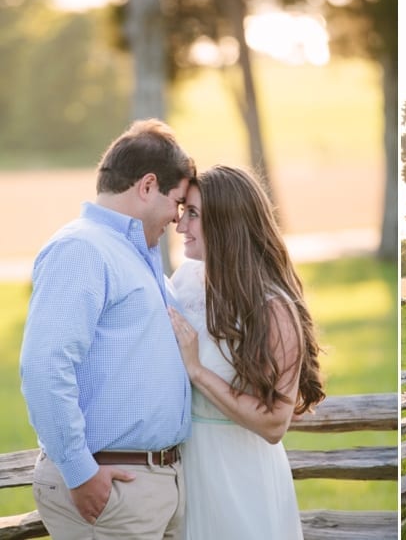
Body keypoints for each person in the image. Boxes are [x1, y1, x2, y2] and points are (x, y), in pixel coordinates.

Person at [19, 119, 196, 539]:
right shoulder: (83, 249)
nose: (177, 217)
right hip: (112, 489)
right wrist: (81, 474)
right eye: (177, 202)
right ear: (148, 186)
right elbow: (45, 367)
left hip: (151, 487)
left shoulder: (134, 254)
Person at [167, 165, 325, 539]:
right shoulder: (184, 281)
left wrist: (197, 371)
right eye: (182, 212)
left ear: (226, 223)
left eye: (192, 214)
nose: (180, 226)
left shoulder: (274, 309)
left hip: (239, 474)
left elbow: (274, 424)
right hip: (185, 470)